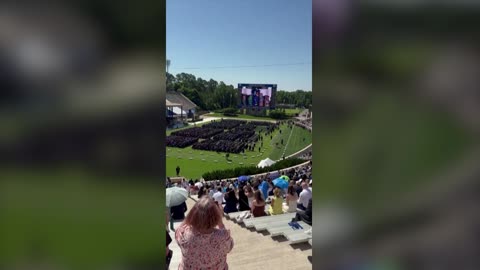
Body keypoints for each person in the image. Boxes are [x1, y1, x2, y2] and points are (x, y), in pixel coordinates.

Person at [176, 197, 234, 270]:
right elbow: (229, 247)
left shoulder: (183, 233)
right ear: (216, 216)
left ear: (193, 214)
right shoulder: (222, 236)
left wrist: (191, 214)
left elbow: (181, 228)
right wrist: (220, 222)